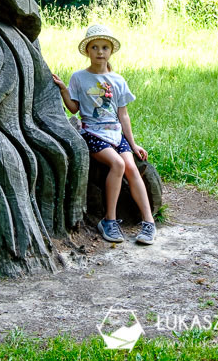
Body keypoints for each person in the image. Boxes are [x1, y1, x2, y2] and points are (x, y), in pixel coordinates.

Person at [52, 24, 156, 245]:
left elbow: (123, 115)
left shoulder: (118, 80)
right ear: (87, 51)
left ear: (111, 51)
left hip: (116, 135)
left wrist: (133, 143)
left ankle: (148, 222)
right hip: (93, 133)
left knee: (130, 166)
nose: (100, 52)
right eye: (95, 47)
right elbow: (73, 108)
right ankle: (109, 220)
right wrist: (63, 89)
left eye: (105, 48)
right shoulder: (79, 78)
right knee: (117, 164)